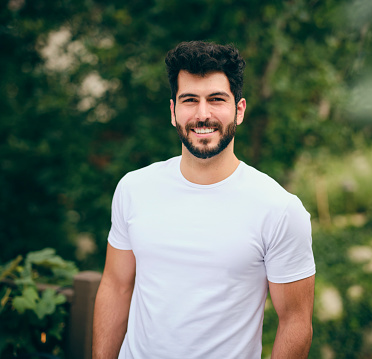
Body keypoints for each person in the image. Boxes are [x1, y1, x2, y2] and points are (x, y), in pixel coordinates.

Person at [92, 41, 315, 359]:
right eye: (189, 100)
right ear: (173, 111)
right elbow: (115, 286)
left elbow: (296, 322)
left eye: (216, 99)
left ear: (239, 109)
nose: (202, 114)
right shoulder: (133, 188)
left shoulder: (279, 209)